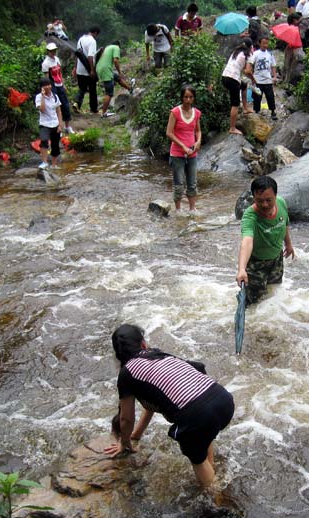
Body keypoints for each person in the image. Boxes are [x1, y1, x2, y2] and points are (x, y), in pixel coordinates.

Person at [105, 324, 235, 489]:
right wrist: (136, 436)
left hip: (198, 415)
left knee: (198, 461)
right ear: (144, 344)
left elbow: (126, 419)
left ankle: (218, 499)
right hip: (222, 398)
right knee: (202, 436)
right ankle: (212, 471)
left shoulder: (127, 373)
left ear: (119, 356)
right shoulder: (159, 355)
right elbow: (198, 368)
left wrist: (124, 443)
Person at [236, 176, 295, 305]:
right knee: (254, 304)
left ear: (276, 195)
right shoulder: (250, 216)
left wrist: (289, 244)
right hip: (256, 265)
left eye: (269, 200)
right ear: (253, 198)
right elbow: (247, 241)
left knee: (274, 293)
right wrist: (241, 269)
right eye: (259, 200)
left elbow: (284, 224)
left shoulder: (281, 203)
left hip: (276, 259)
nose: (265, 205)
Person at [166, 85, 202, 213]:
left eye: (190, 97)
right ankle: (178, 210)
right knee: (179, 184)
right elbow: (169, 133)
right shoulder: (175, 112)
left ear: (194, 98)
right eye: (186, 97)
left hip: (192, 153)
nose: (188, 100)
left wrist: (198, 142)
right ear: (182, 98)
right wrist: (182, 146)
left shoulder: (196, 113)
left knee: (192, 183)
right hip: (177, 154)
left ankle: (192, 209)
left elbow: (198, 130)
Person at [222, 38, 254, 135]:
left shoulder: (236, 52)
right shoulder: (248, 55)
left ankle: (245, 108)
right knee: (235, 104)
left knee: (244, 86)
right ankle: (232, 128)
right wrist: (253, 79)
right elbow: (247, 71)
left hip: (224, 77)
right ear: (250, 47)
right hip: (233, 79)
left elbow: (242, 69)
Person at [41, 42, 75, 134]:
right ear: (48, 51)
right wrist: (48, 90)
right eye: (51, 51)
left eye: (54, 50)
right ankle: (58, 128)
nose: (53, 52)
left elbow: (60, 73)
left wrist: (63, 84)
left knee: (66, 105)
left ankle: (67, 126)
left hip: (60, 85)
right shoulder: (46, 63)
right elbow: (47, 78)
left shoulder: (57, 59)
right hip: (53, 86)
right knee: (56, 107)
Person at [96, 41, 135, 118]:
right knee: (109, 93)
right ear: (118, 45)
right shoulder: (116, 47)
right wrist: (120, 71)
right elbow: (115, 60)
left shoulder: (107, 47)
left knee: (117, 77)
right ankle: (104, 113)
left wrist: (119, 74)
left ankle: (130, 89)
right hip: (105, 69)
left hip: (100, 68)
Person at [35, 78, 63, 169]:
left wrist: (60, 124)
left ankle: (54, 164)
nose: (47, 87)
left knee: (55, 144)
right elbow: (42, 110)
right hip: (44, 123)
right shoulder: (38, 97)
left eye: (49, 85)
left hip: (55, 123)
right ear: (41, 87)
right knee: (44, 140)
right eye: (45, 85)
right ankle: (44, 162)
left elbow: (58, 111)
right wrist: (43, 97)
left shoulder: (55, 96)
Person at [73, 26, 100, 114]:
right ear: (95, 33)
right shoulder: (92, 41)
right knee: (92, 89)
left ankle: (76, 104)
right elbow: (90, 56)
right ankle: (94, 109)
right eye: (97, 35)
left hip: (80, 69)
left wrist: (75, 68)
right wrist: (92, 70)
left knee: (82, 88)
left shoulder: (80, 39)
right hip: (88, 69)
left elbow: (78, 55)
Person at [249, 37, 277, 119]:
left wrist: (274, 76)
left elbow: (273, 65)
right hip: (257, 80)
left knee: (270, 96)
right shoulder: (255, 54)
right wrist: (251, 75)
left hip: (268, 80)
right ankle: (256, 111)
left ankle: (273, 111)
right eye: (264, 43)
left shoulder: (270, 54)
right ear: (259, 43)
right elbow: (250, 63)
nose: (265, 45)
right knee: (257, 97)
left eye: (267, 43)